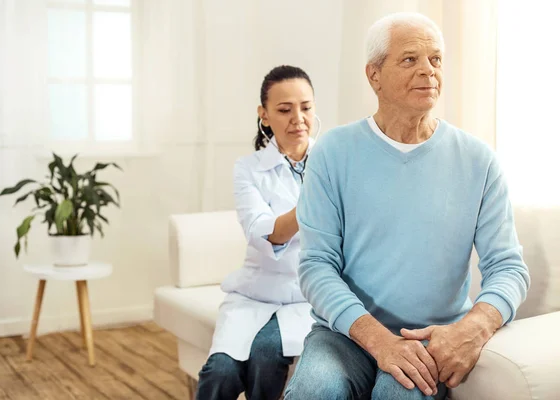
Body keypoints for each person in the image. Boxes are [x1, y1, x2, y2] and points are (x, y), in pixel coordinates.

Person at [284, 12, 530, 400]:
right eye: (410, 59)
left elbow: (509, 268)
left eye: (436, 59)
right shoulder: (333, 152)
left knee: (396, 395)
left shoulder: (478, 160)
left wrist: (471, 329)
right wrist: (378, 341)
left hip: (430, 337)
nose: (428, 71)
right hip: (345, 334)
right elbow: (316, 267)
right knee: (315, 391)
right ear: (374, 75)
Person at [196, 65, 320, 400]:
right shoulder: (248, 169)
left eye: (306, 107)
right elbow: (266, 234)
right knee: (219, 371)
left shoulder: (332, 161)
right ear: (264, 115)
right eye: (284, 109)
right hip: (255, 293)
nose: (298, 118)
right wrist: (317, 195)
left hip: (307, 298)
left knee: (267, 359)